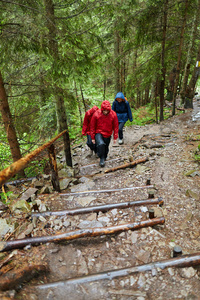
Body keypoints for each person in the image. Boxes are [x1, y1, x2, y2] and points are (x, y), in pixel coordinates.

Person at [90, 100, 118, 167]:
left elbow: (116, 126)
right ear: (102, 109)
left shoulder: (113, 114)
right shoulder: (96, 114)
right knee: (101, 144)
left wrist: (115, 136)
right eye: (104, 110)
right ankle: (101, 158)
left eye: (107, 110)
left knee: (106, 147)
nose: (105, 112)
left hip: (108, 133)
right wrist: (92, 137)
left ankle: (104, 156)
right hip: (98, 132)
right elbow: (92, 126)